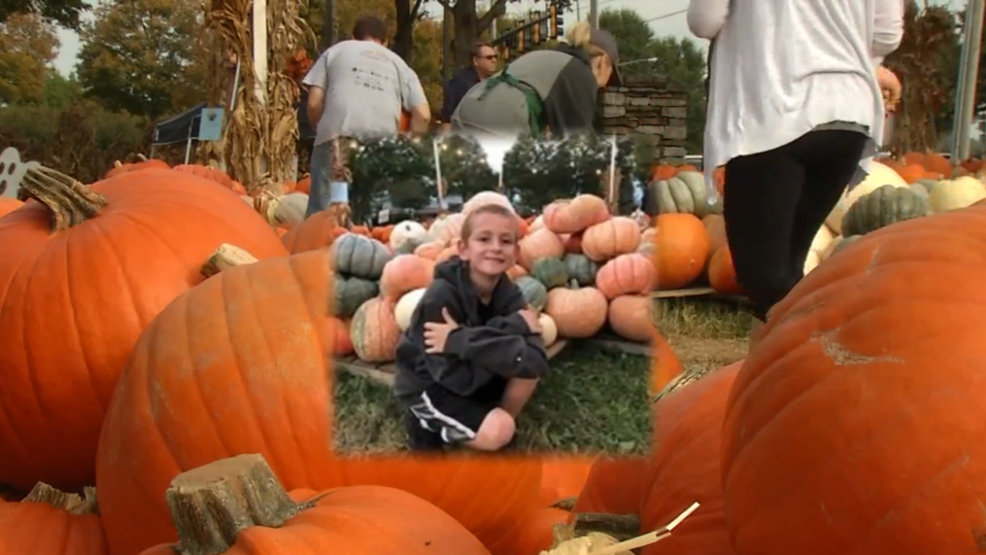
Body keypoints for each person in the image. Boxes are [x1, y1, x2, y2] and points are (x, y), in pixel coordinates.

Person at [688, 0, 904, 323]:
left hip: (774, 110)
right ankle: (798, 350)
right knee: (787, 270)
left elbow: (704, 20)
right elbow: (887, 35)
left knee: (766, 279)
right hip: (848, 114)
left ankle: (829, 349)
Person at [393, 204, 549, 452]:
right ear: (464, 249)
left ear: (515, 252)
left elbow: (536, 361)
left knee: (525, 372)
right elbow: (456, 379)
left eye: (506, 241)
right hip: (432, 384)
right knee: (500, 427)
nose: (495, 247)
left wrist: (459, 339)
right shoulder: (440, 297)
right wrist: (507, 342)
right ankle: (426, 422)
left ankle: (485, 425)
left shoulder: (509, 293)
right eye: (484, 239)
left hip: (472, 368)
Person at [302, 16, 431, 219]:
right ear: (385, 42)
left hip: (338, 138)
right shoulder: (399, 64)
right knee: (370, 216)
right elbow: (423, 115)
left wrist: (320, 130)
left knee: (325, 213)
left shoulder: (335, 51)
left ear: (353, 37)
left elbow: (313, 103)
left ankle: (325, 230)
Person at [449, 21, 621, 142]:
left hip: (464, 114)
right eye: (610, 75)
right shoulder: (580, 73)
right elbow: (579, 142)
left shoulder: (547, 58)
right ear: (603, 61)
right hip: (497, 128)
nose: (605, 85)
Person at [440, 41, 499, 132]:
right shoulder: (460, 82)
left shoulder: (496, 82)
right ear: (476, 61)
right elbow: (448, 117)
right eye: (489, 57)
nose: (494, 60)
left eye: (495, 57)